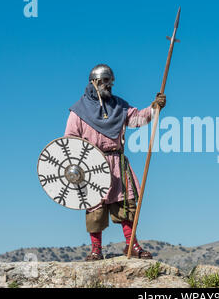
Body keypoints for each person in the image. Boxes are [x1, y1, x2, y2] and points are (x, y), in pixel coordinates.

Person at [64, 64, 166, 261]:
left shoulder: (119, 106)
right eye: (104, 81)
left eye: (110, 81)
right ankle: (96, 250)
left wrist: (155, 108)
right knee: (95, 209)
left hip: (117, 162)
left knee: (125, 205)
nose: (109, 85)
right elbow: (69, 141)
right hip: (91, 166)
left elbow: (137, 119)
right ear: (94, 82)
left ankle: (132, 246)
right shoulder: (78, 112)